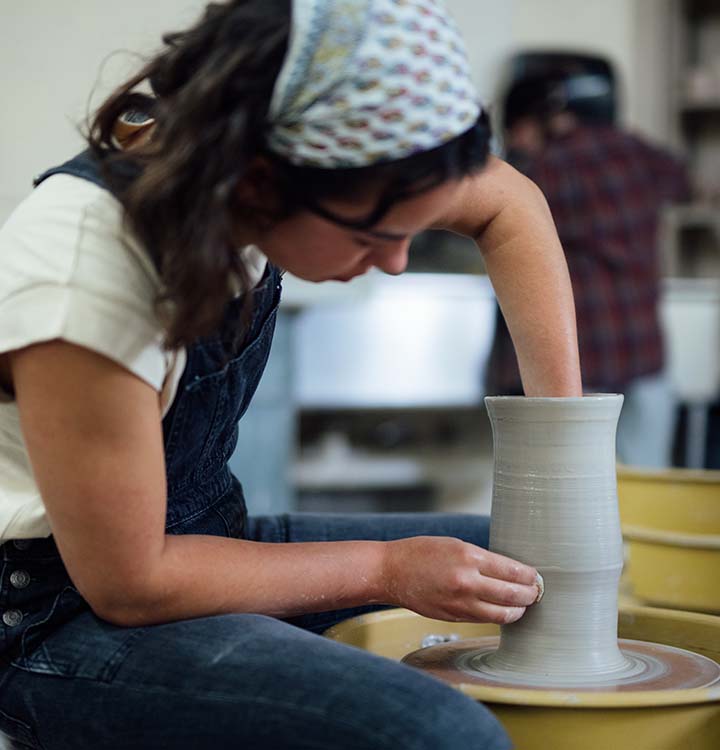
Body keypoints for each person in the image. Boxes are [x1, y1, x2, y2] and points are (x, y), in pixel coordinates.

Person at [0, 2, 582, 748]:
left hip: (203, 538)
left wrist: (566, 450)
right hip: (56, 618)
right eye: (375, 236)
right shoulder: (84, 278)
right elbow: (131, 584)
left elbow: (509, 202)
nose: (397, 263)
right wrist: (385, 568)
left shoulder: (245, 167)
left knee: (528, 563)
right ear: (261, 182)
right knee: (438, 733)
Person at [487, 72, 691, 467]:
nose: (515, 143)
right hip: (645, 352)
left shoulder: (540, 173)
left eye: (516, 132)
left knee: (580, 492)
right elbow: (684, 181)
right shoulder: (636, 151)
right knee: (647, 486)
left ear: (532, 122)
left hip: (582, 364)